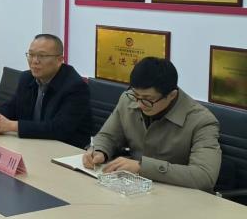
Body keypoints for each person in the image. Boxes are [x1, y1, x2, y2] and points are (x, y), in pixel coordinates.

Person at [83, 57, 221, 191]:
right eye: (136, 95)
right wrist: (99, 151)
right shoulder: (128, 99)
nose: (139, 104)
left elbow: (205, 176)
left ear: (171, 95)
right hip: (133, 188)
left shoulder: (202, 121)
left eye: (147, 99)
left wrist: (142, 167)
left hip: (177, 195)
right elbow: (108, 136)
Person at [0, 33, 91, 148]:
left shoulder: (76, 87)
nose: (34, 61)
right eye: (31, 55)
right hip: (33, 143)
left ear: (59, 60)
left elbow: (59, 128)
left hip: (66, 150)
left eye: (42, 56)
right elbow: (11, 106)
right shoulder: (26, 78)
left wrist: (11, 126)